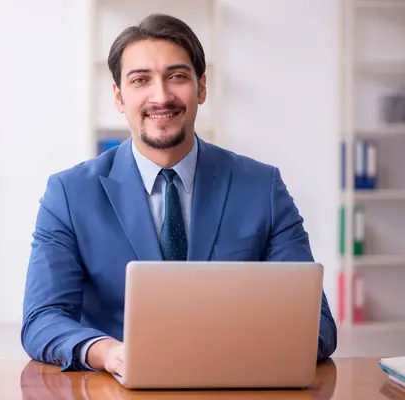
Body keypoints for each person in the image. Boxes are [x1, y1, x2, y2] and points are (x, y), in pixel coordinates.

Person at [21, 13, 337, 376]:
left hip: (237, 383)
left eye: (177, 76)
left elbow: (318, 326)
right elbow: (41, 319)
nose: (161, 96)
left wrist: (231, 351)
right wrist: (106, 352)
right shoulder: (70, 194)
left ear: (202, 87)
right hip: (116, 386)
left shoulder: (262, 187)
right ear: (119, 96)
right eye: (141, 80)